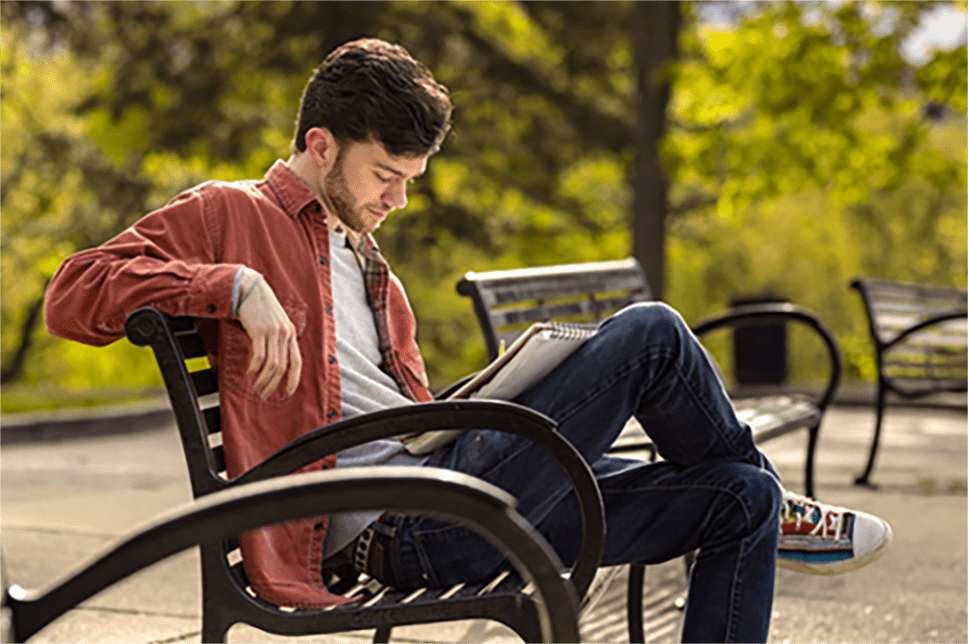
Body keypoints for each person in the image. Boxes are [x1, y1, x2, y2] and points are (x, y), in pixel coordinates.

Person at [45, 38, 891, 643]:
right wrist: (230, 284)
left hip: (451, 487)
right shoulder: (231, 216)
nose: (398, 201)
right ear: (319, 145)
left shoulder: (371, 268)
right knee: (653, 334)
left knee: (739, 498)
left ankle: (776, 509)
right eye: (386, 177)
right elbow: (73, 291)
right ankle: (795, 513)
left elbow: (404, 416)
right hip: (411, 526)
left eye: (410, 182)